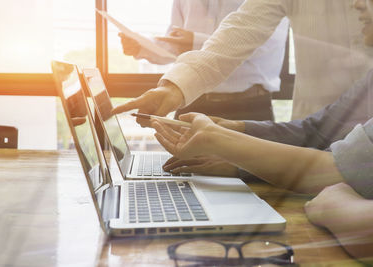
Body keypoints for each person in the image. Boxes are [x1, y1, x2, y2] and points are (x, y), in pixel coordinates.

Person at [149, 0, 373, 261]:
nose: (359, 4)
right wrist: (235, 140)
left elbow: (332, 171)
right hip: (313, 164)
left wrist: (222, 141)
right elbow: (318, 132)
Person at [112, 0, 372, 125]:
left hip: (253, 104)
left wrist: (192, 41)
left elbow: (262, 45)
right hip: (313, 129)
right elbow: (240, 31)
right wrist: (174, 88)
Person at [119, 0, 289, 120]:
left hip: (247, 107)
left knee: (252, 171)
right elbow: (176, 43)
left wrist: (195, 41)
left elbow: (263, 44)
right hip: (191, 102)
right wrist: (142, 46)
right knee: (177, 170)